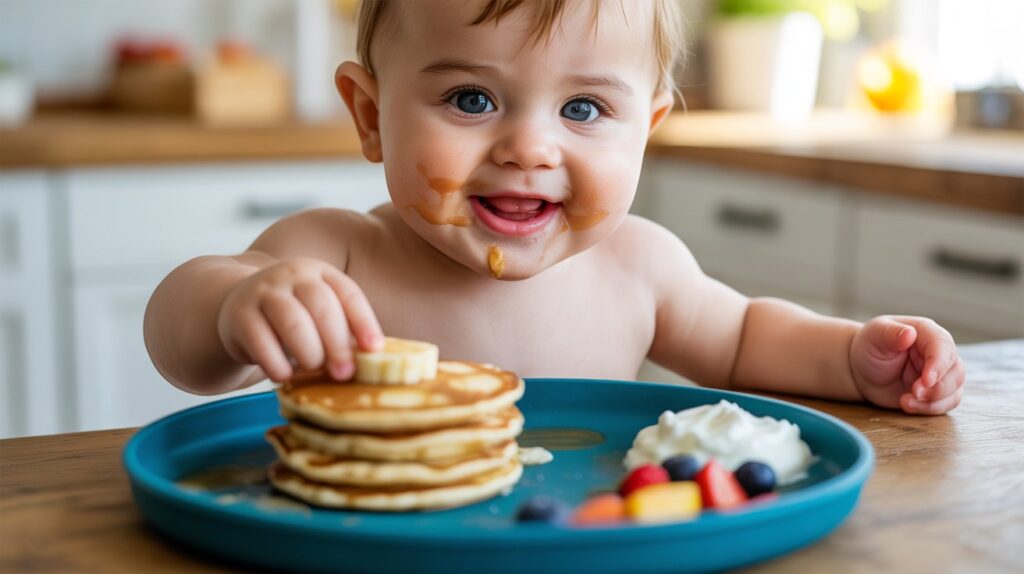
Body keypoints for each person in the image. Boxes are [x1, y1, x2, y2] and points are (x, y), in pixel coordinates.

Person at [144, 0, 964, 415]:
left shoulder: (638, 266)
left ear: (647, 131)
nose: (528, 150)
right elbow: (182, 346)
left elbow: (749, 337)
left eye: (582, 111)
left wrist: (855, 357)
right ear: (370, 116)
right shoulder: (334, 253)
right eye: (471, 98)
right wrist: (232, 304)